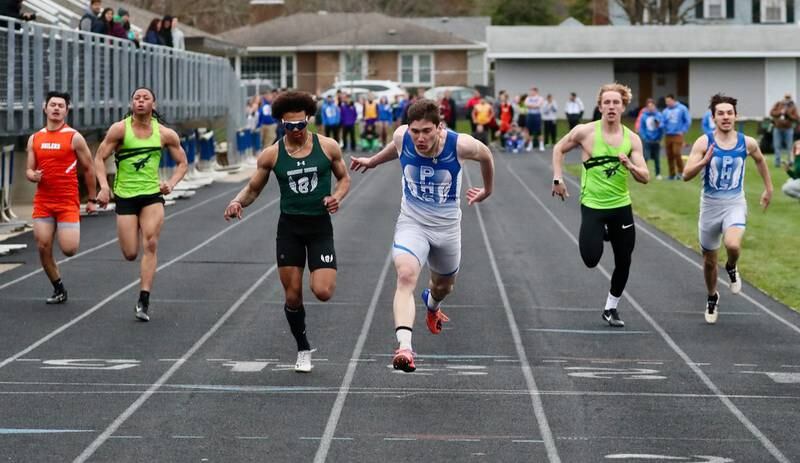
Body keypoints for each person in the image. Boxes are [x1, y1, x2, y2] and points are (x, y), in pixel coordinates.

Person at [350, 99, 494, 373]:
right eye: (415, 131)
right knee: (405, 275)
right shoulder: (402, 136)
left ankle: (432, 304)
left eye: (426, 131)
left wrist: (487, 190)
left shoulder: (460, 144)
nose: (420, 138)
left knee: (444, 287)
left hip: (447, 228)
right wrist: (373, 161)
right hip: (412, 222)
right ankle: (405, 346)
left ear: (439, 127)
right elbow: (396, 147)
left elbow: (487, 155)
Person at [224, 91, 350, 373]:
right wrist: (236, 201)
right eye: (289, 126)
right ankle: (303, 347)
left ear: (308, 121)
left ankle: (305, 336)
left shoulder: (328, 147)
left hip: (319, 227)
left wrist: (337, 197)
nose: (295, 131)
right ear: (282, 123)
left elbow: (344, 179)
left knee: (323, 291)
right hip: (290, 228)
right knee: (292, 296)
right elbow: (253, 188)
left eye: (300, 125)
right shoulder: (272, 154)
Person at [552, 83, 650, 328]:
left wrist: (630, 166)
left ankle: (611, 307)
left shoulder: (632, 139)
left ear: (623, 107)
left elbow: (645, 177)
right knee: (590, 259)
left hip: (620, 206)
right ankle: (602, 231)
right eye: (607, 102)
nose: (611, 107)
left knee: (624, 260)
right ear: (599, 106)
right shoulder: (585, 132)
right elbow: (558, 148)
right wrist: (558, 178)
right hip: (593, 205)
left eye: (616, 102)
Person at [94, 87, 188, 321]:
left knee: (151, 243)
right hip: (125, 196)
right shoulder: (120, 129)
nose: (141, 101)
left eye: (146, 98)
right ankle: (133, 230)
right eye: (137, 98)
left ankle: (144, 299)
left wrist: (171, 184)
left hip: (151, 195)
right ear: (131, 104)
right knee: (130, 253)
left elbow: (182, 163)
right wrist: (104, 187)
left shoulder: (165, 134)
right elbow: (98, 157)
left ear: (153, 105)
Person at [682, 94, 773, 324]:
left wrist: (768, 189)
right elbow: (685, 175)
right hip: (710, 206)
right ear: (713, 118)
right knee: (709, 261)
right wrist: (703, 162)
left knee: (732, 244)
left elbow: (760, 160)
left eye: (729, 113)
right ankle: (712, 296)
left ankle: (732, 267)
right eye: (720, 113)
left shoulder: (747, 142)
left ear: (735, 116)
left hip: (734, 203)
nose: (725, 117)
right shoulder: (704, 142)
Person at [25, 92, 97, 304]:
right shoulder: (35, 138)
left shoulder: (74, 137)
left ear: (67, 110)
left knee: (69, 249)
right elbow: (28, 170)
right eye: (53, 105)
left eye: (61, 106)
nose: (56, 109)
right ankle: (58, 287)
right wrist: (32, 175)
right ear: (45, 108)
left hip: (66, 201)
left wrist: (92, 199)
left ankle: (64, 229)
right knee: (43, 246)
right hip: (44, 201)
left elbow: (89, 168)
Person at [661, 94, 690, 180]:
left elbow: (687, 120)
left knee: (677, 153)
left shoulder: (682, 108)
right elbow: (663, 121)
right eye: (666, 102)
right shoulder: (665, 111)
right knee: (669, 154)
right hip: (668, 135)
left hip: (678, 134)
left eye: (669, 101)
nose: (667, 103)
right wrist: (660, 125)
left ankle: (681, 172)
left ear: (673, 100)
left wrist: (683, 130)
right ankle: (672, 174)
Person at [637, 98, 664, 180]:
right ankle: (642, 173)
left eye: (652, 106)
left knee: (657, 158)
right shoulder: (643, 116)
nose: (651, 108)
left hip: (656, 140)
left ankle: (658, 174)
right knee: (646, 157)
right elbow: (641, 128)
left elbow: (662, 127)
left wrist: (659, 137)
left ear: (654, 106)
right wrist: (644, 137)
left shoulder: (659, 115)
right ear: (647, 107)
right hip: (647, 140)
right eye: (649, 106)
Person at [769, 93, 799, 168]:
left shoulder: (793, 107)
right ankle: (777, 162)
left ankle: (790, 162)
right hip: (777, 128)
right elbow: (772, 112)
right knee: (777, 145)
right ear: (784, 97)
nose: (787, 99)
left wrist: (788, 114)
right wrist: (780, 112)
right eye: (786, 97)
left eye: (788, 98)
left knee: (789, 146)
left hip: (788, 129)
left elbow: (796, 118)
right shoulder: (779, 104)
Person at [525, 87, 545, 152]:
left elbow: (539, 105)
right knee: (530, 131)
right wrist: (534, 106)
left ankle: (541, 145)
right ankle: (530, 145)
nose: (531, 92)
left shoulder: (540, 98)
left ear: (536, 92)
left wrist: (532, 106)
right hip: (530, 115)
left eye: (532, 91)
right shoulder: (528, 98)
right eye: (531, 91)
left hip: (537, 115)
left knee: (539, 131)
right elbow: (526, 104)